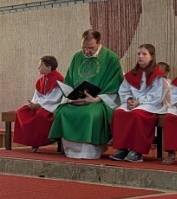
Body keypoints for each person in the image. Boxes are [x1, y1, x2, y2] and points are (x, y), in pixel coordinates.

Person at [48, 29, 123, 159]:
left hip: (99, 100)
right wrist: (71, 97)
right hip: (77, 100)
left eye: (91, 48)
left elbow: (115, 84)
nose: (87, 52)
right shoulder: (77, 57)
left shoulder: (111, 58)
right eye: (84, 48)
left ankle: (90, 152)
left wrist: (96, 99)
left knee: (90, 114)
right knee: (63, 112)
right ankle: (70, 151)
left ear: (99, 43)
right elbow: (69, 81)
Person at [109, 43, 168, 162]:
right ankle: (122, 148)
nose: (140, 56)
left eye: (144, 54)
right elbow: (124, 90)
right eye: (138, 54)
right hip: (134, 103)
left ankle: (137, 151)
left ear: (151, 57)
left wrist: (139, 101)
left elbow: (157, 95)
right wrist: (129, 99)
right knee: (119, 113)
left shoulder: (157, 75)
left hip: (151, 104)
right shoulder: (132, 74)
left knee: (137, 115)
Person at [12, 56, 63, 151]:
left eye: (41, 66)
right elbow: (37, 96)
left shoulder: (58, 79)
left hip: (52, 106)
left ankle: (42, 141)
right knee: (21, 111)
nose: (38, 68)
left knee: (41, 116)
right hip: (41, 105)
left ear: (49, 67)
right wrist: (33, 104)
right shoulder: (41, 80)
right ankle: (32, 141)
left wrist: (40, 105)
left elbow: (55, 98)